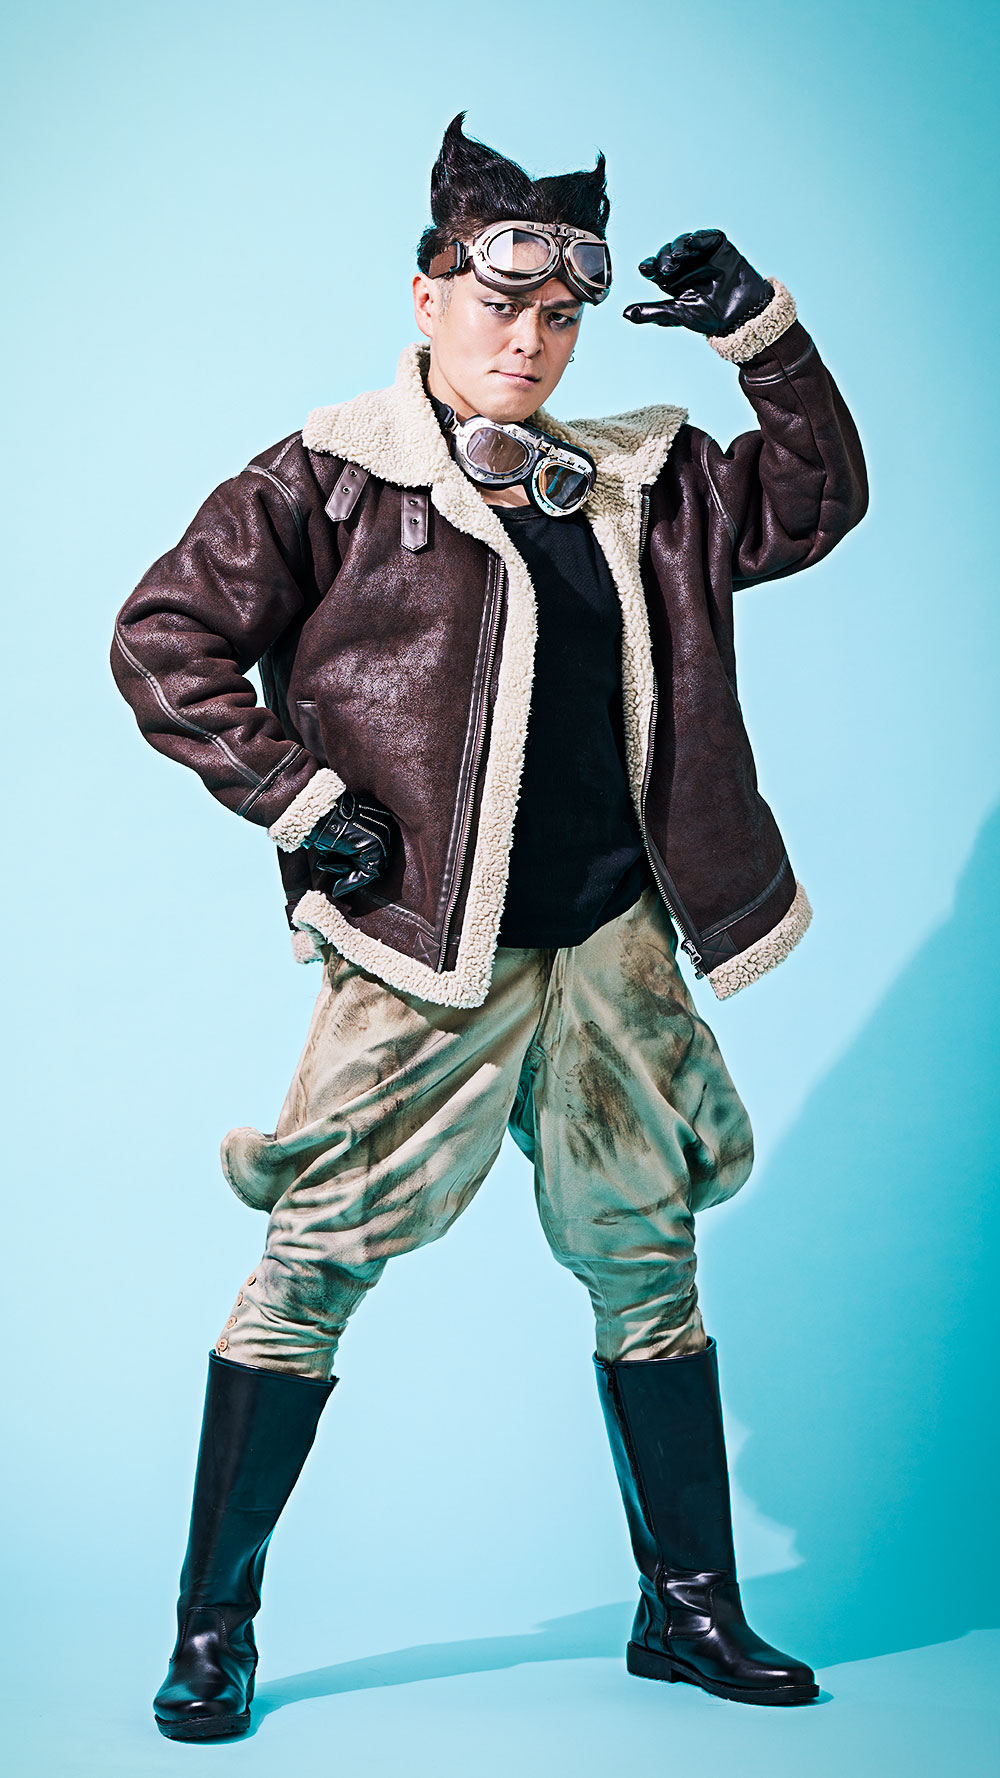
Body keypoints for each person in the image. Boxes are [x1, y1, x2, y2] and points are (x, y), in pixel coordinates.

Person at [112, 113, 868, 1740]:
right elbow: (165, 638)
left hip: (609, 947)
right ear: (428, 296)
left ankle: (687, 1609)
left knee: (646, 1255)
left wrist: (762, 335)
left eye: (561, 316)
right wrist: (301, 800)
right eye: (498, 303)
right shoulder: (330, 475)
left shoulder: (640, 483)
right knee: (313, 1258)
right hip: (422, 953)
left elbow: (811, 503)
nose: (528, 340)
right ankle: (212, 1626)